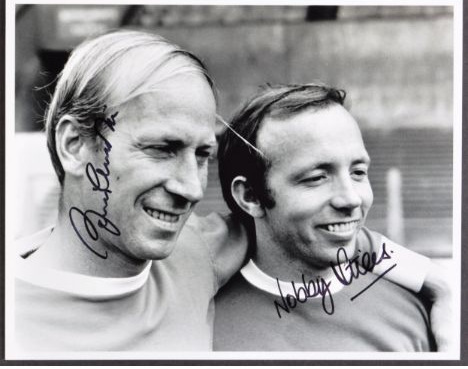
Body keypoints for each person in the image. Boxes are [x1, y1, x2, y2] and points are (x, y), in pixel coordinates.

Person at [14, 30, 451, 353]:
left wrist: (440, 287)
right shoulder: (16, 323)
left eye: (202, 154)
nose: (190, 188)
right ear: (75, 144)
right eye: (162, 149)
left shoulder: (194, 255)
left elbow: (323, 225)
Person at [214, 84, 447, 351]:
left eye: (358, 172)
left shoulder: (421, 312)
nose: (351, 199)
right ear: (251, 196)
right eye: (317, 178)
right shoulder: (199, 322)